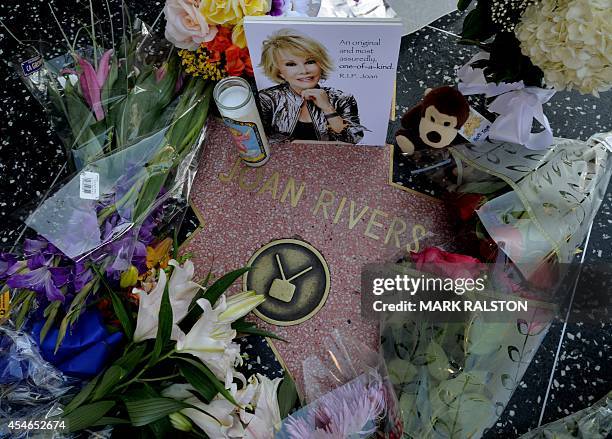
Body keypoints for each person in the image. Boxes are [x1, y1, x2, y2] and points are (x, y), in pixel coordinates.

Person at [258, 29, 365, 144]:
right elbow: (260, 138)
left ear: (321, 64)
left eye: (310, 62)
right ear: (279, 72)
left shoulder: (342, 98)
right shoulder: (267, 99)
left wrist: (328, 108)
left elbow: (353, 140)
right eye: (291, 64)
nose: (304, 71)